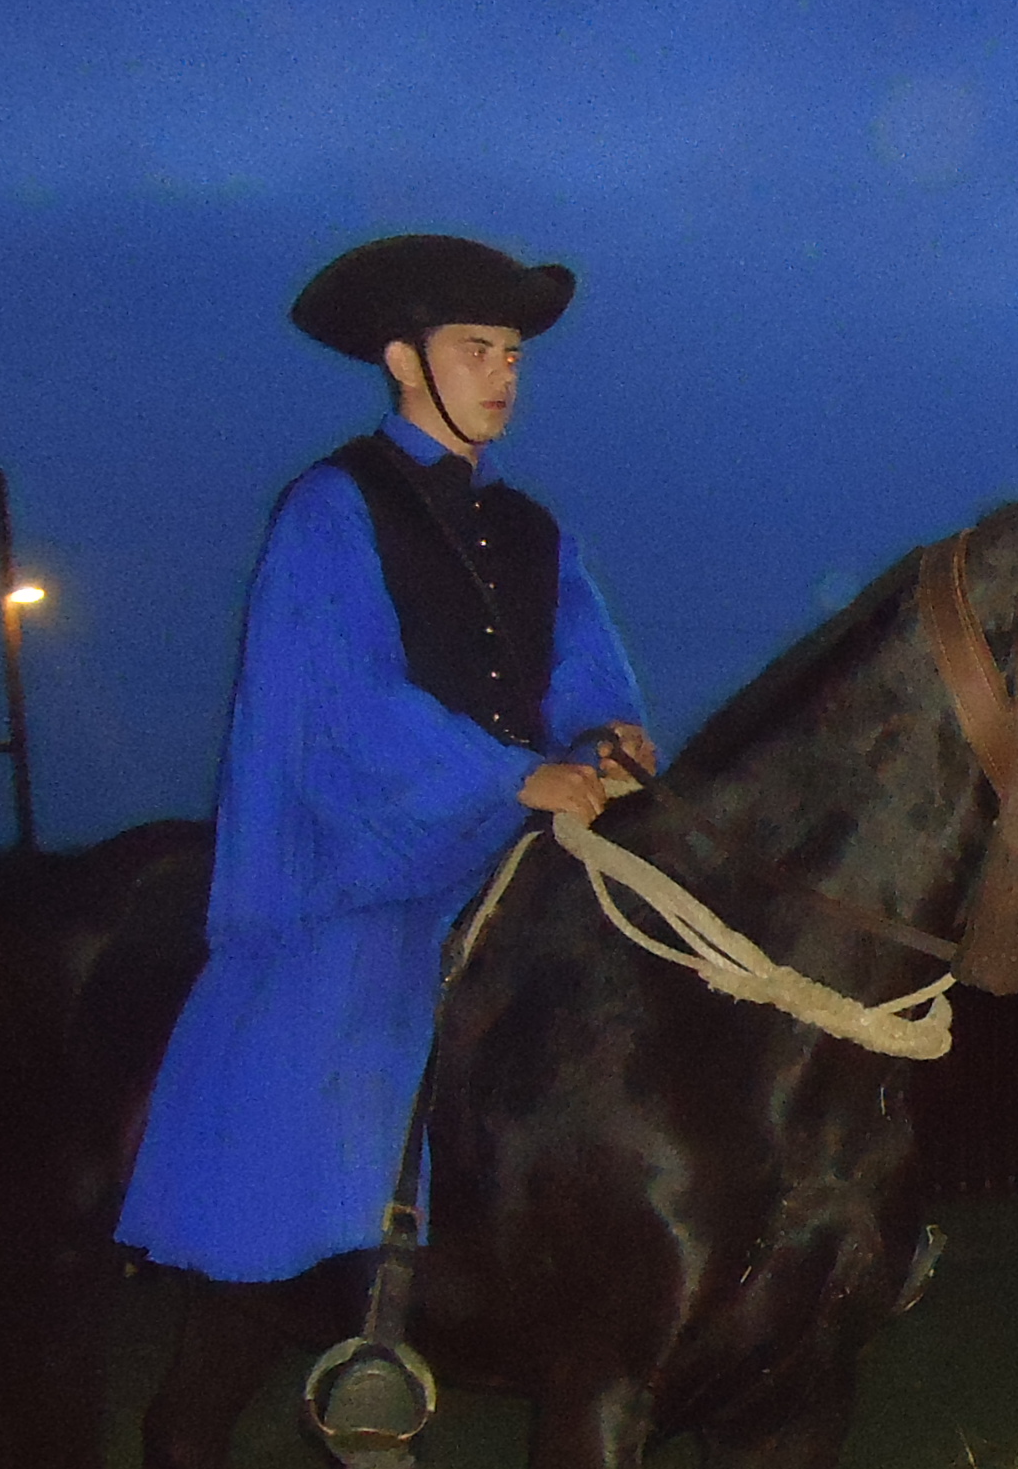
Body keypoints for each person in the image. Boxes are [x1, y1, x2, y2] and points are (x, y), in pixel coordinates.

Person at [115, 234, 659, 1296]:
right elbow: (337, 702)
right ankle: (358, 1290)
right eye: (475, 349)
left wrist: (604, 740)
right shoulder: (332, 505)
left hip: (528, 828)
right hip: (376, 850)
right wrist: (506, 777)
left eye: (513, 353)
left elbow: (585, 671)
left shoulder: (536, 529)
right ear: (405, 361)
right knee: (362, 1011)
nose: (503, 375)